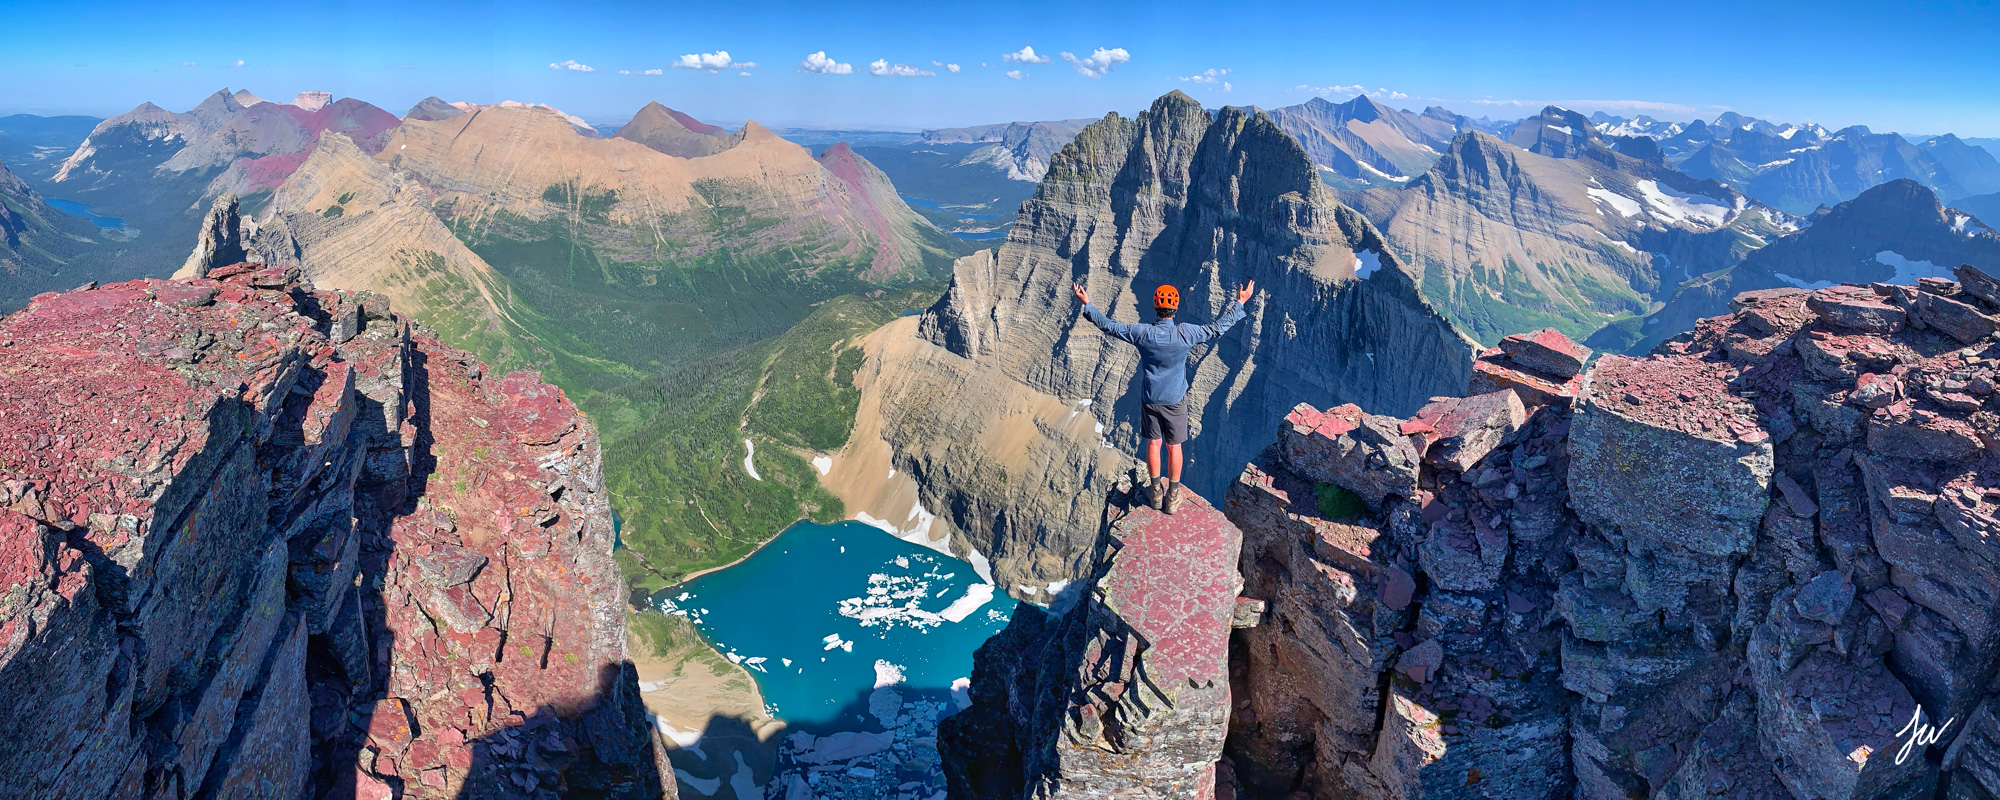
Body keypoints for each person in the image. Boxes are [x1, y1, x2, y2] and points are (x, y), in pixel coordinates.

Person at [1072, 278, 1254, 514]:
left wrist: (1087, 304)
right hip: (1175, 401)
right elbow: (1216, 328)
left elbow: (1110, 326)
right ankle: (1173, 496)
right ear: (1175, 309)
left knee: (1154, 443)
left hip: (1150, 398)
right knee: (1173, 446)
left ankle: (1156, 492)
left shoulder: (1142, 332)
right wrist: (1239, 303)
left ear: (1156, 308)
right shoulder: (1186, 333)